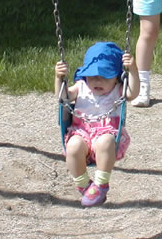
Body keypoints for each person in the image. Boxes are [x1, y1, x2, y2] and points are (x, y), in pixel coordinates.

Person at [54, 42, 139, 207]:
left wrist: (133, 70)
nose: (98, 81)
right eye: (92, 76)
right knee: (73, 146)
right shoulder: (81, 87)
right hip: (81, 132)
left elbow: (133, 93)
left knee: (105, 141)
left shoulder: (118, 89)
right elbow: (62, 96)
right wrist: (59, 78)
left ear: (116, 77)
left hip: (107, 132)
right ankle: (84, 185)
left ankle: (101, 184)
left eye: (105, 76)